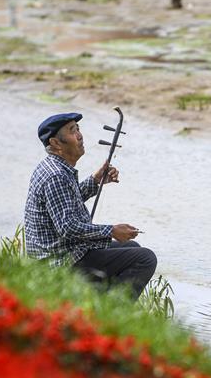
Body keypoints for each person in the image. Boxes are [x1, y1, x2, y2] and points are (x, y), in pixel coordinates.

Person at [24, 112, 156, 300]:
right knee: (145, 259)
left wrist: (95, 180)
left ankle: (94, 301)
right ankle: (109, 314)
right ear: (55, 143)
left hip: (65, 253)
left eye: (78, 129)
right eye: (72, 131)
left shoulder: (55, 167)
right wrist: (111, 230)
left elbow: (67, 202)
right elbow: (67, 227)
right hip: (59, 264)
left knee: (133, 246)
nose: (80, 135)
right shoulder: (56, 176)